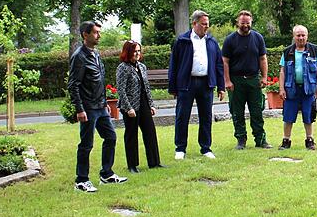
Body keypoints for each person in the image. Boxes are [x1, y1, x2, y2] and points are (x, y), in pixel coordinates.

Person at [68, 21, 127, 192]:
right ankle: (81, 180)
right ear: (85, 35)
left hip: (100, 106)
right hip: (88, 108)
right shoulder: (79, 56)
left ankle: (106, 174)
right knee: (86, 144)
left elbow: (99, 81)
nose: (98, 35)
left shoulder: (96, 54)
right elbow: (73, 85)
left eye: (99, 32)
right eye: (95, 32)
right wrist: (79, 109)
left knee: (111, 137)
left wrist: (105, 103)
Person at [168, 10, 225, 159]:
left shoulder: (212, 42)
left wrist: (221, 86)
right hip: (186, 84)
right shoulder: (182, 41)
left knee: (206, 116)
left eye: (207, 24)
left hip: (206, 83)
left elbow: (219, 65)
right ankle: (180, 148)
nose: (206, 27)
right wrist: (173, 87)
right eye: (203, 24)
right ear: (194, 23)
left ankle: (206, 148)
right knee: (182, 116)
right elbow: (174, 65)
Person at [222, 10, 272, 150]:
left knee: (257, 111)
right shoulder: (230, 40)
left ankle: (260, 140)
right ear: (238, 22)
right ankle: (241, 140)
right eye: (243, 23)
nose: (245, 25)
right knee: (237, 112)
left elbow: (263, 59)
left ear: (251, 23)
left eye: (248, 23)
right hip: (236, 81)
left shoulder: (258, 38)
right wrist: (227, 81)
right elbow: (224, 62)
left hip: (253, 80)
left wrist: (264, 77)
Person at [116, 40, 163, 173]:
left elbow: (146, 87)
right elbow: (121, 89)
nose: (137, 54)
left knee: (150, 132)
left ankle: (154, 162)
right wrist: (128, 107)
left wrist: (151, 105)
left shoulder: (141, 66)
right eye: (134, 51)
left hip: (144, 104)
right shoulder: (123, 68)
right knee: (131, 135)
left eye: (138, 51)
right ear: (128, 52)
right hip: (130, 106)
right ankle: (132, 165)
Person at [278, 25, 317, 150]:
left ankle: (309, 140)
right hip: (291, 89)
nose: (301, 38)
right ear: (294, 37)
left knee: (308, 116)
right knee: (288, 116)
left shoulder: (314, 50)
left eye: (303, 35)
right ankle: (286, 140)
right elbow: (282, 71)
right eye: (298, 35)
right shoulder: (287, 52)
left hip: (308, 89)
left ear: (307, 36)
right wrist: (281, 89)